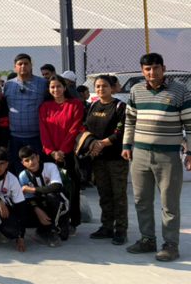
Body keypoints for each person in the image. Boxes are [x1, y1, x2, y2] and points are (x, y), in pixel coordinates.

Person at [123, 53, 191, 261]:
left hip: (168, 156)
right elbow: (130, 121)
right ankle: (147, 239)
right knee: (141, 200)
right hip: (140, 155)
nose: (152, 73)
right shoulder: (136, 91)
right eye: (147, 69)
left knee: (169, 203)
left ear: (164, 68)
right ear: (142, 71)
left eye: (155, 68)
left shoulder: (180, 92)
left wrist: (189, 152)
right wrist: (126, 144)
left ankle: (170, 245)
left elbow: (189, 126)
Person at [85, 75, 128, 245]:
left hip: (116, 158)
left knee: (118, 195)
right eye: (98, 86)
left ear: (112, 88)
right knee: (104, 194)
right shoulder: (93, 105)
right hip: (98, 158)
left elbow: (121, 130)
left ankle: (121, 230)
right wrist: (92, 144)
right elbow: (87, 127)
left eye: (104, 86)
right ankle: (107, 226)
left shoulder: (119, 106)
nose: (101, 89)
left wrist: (102, 143)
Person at [39, 75, 84, 234]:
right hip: (50, 155)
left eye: (58, 86)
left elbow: (74, 129)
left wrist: (63, 151)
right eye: (52, 87)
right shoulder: (45, 107)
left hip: (69, 155)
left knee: (71, 188)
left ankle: (72, 221)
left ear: (65, 87)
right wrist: (51, 152)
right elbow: (44, 131)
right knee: (51, 189)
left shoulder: (75, 104)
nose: (55, 90)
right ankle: (54, 221)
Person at [3, 54, 48, 173]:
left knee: (37, 170)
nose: (23, 66)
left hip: (37, 137)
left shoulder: (43, 84)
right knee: (18, 171)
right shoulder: (8, 85)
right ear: (15, 67)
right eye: (20, 64)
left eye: (26, 63)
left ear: (31, 65)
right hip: (14, 138)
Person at [18, 146, 69, 247]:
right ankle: (44, 229)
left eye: (32, 158)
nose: (31, 162)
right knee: (23, 205)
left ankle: (57, 225)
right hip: (39, 205)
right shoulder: (23, 175)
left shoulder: (50, 166)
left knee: (52, 196)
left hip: (59, 203)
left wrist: (33, 189)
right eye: (26, 160)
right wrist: (37, 210)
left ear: (38, 157)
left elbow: (56, 186)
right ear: (22, 163)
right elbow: (28, 198)